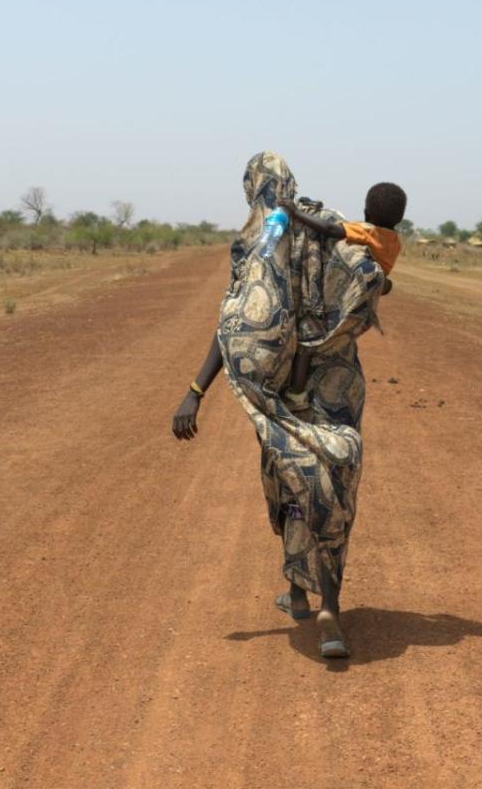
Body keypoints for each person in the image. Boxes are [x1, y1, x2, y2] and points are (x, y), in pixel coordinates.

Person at [171, 151, 385, 659]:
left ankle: (309, 599)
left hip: (285, 387)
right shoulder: (326, 224)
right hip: (338, 381)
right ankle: (314, 600)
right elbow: (372, 275)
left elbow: (237, 320)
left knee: (290, 480)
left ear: (253, 188)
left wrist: (195, 392)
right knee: (331, 483)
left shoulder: (256, 242)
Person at [281, 183, 405, 410]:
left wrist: (295, 213)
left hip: (354, 287)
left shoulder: (368, 232)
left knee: (309, 337)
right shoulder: (395, 241)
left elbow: (331, 231)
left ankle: (296, 393)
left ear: (367, 213)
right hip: (367, 297)